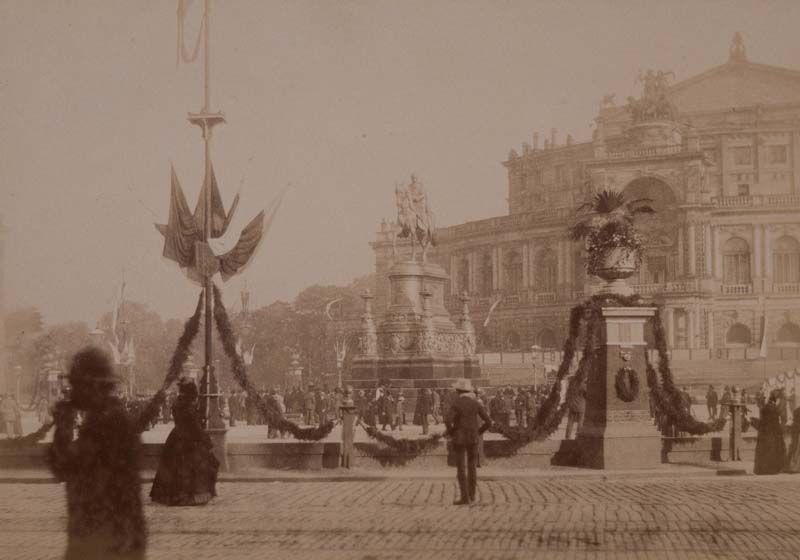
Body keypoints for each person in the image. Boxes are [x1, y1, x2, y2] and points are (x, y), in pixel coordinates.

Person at [48, 347, 146, 559]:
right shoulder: (99, 419)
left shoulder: (113, 423)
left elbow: (67, 469)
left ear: (93, 387)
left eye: (76, 386)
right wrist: (62, 429)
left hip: (107, 539)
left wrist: (63, 430)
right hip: (97, 536)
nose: (71, 393)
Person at [150, 378, 220, 506]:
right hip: (189, 439)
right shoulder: (187, 405)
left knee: (174, 468)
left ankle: (170, 495)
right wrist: (206, 439)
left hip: (176, 437)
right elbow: (194, 425)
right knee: (198, 466)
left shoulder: (177, 403)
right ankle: (192, 496)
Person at [445, 378, 491, 506]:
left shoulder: (457, 403)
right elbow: (488, 422)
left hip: (459, 439)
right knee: (472, 468)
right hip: (473, 439)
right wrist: (478, 432)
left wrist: (452, 432)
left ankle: (464, 497)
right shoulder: (475, 403)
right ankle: (472, 496)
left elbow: (448, 420)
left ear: (458, 391)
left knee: (461, 468)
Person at [753, 390, 787, 475]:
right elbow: (775, 422)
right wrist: (781, 430)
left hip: (764, 432)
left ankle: (762, 469)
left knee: (764, 450)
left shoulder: (766, 407)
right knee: (772, 450)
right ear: (776, 400)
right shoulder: (773, 408)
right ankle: (771, 469)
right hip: (772, 432)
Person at [785, 405, 800, 473]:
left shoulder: (796, 410)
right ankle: (792, 466)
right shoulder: (797, 410)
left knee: (793, 448)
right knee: (794, 448)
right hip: (797, 432)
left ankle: (789, 465)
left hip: (795, 431)